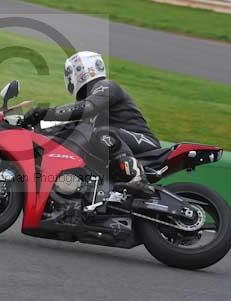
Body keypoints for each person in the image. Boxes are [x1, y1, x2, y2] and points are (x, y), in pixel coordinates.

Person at [23, 51, 160, 195]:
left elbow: (87, 108)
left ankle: (138, 178)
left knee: (102, 132)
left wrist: (45, 113)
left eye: (69, 73)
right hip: (116, 144)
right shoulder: (90, 107)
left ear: (79, 71)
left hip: (145, 144)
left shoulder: (106, 86)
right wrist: (34, 134)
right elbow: (70, 129)